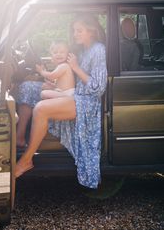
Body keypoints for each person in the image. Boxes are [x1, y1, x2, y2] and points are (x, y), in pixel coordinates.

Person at [16, 14, 107, 189]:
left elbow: (98, 87)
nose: (75, 34)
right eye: (74, 31)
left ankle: (26, 160)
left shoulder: (98, 49)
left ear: (91, 31)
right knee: (28, 87)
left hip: (86, 101)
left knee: (41, 108)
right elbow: (68, 74)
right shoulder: (81, 49)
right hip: (72, 92)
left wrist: (76, 68)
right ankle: (20, 137)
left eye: (79, 31)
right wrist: (54, 84)